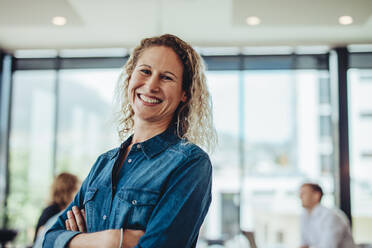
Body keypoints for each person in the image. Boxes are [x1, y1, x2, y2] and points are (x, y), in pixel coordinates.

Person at [43, 34, 217, 248]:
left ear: (184, 94)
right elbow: (49, 238)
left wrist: (77, 242)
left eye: (166, 77)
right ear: (130, 77)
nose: (151, 85)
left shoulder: (191, 164)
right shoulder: (103, 163)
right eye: (145, 71)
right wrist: (112, 240)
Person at [299, 183, 356, 248]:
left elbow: (328, 246)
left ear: (316, 195)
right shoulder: (304, 215)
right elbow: (304, 244)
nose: (300, 196)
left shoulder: (331, 216)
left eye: (304, 193)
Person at [33, 173, 80, 247]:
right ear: (68, 191)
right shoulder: (52, 212)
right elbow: (42, 237)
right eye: (77, 189)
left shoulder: (53, 210)